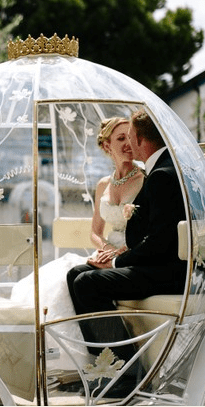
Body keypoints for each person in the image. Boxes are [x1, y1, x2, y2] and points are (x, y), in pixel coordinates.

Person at [10, 116, 145, 368]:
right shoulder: (103, 185)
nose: (128, 143)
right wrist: (105, 250)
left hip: (133, 252)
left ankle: (120, 359)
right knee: (67, 276)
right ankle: (99, 355)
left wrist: (120, 253)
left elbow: (148, 230)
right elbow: (95, 231)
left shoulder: (144, 180)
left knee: (82, 279)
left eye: (131, 137)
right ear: (107, 146)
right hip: (109, 252)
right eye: (121, 138)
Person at [66, 109, 186, 368]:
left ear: (141, 140)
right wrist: (110, 254)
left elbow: (158, 242)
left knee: (87, 282)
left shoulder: (160, 176)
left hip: (165, 271)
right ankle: (104, 360)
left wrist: (116, 261)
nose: (129, 143)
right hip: (152, 261)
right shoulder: (161, 170)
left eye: (129, 136)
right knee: (75, 274)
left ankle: (123, 367)